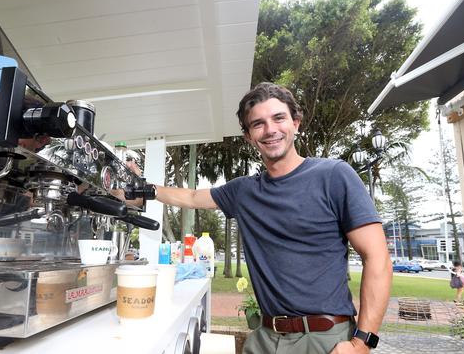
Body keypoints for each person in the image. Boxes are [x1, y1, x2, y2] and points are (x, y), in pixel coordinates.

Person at [126, 83, 392, 354]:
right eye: (258, 124)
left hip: (325, 339)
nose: (270, 130)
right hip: (265, 339)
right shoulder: (244, 191)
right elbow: (193, 197)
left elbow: (377, 258)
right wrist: (141, 189)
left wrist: (362, 343)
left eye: (279, 118)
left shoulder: (335, 176)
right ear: (249, 136)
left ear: (296, 123)